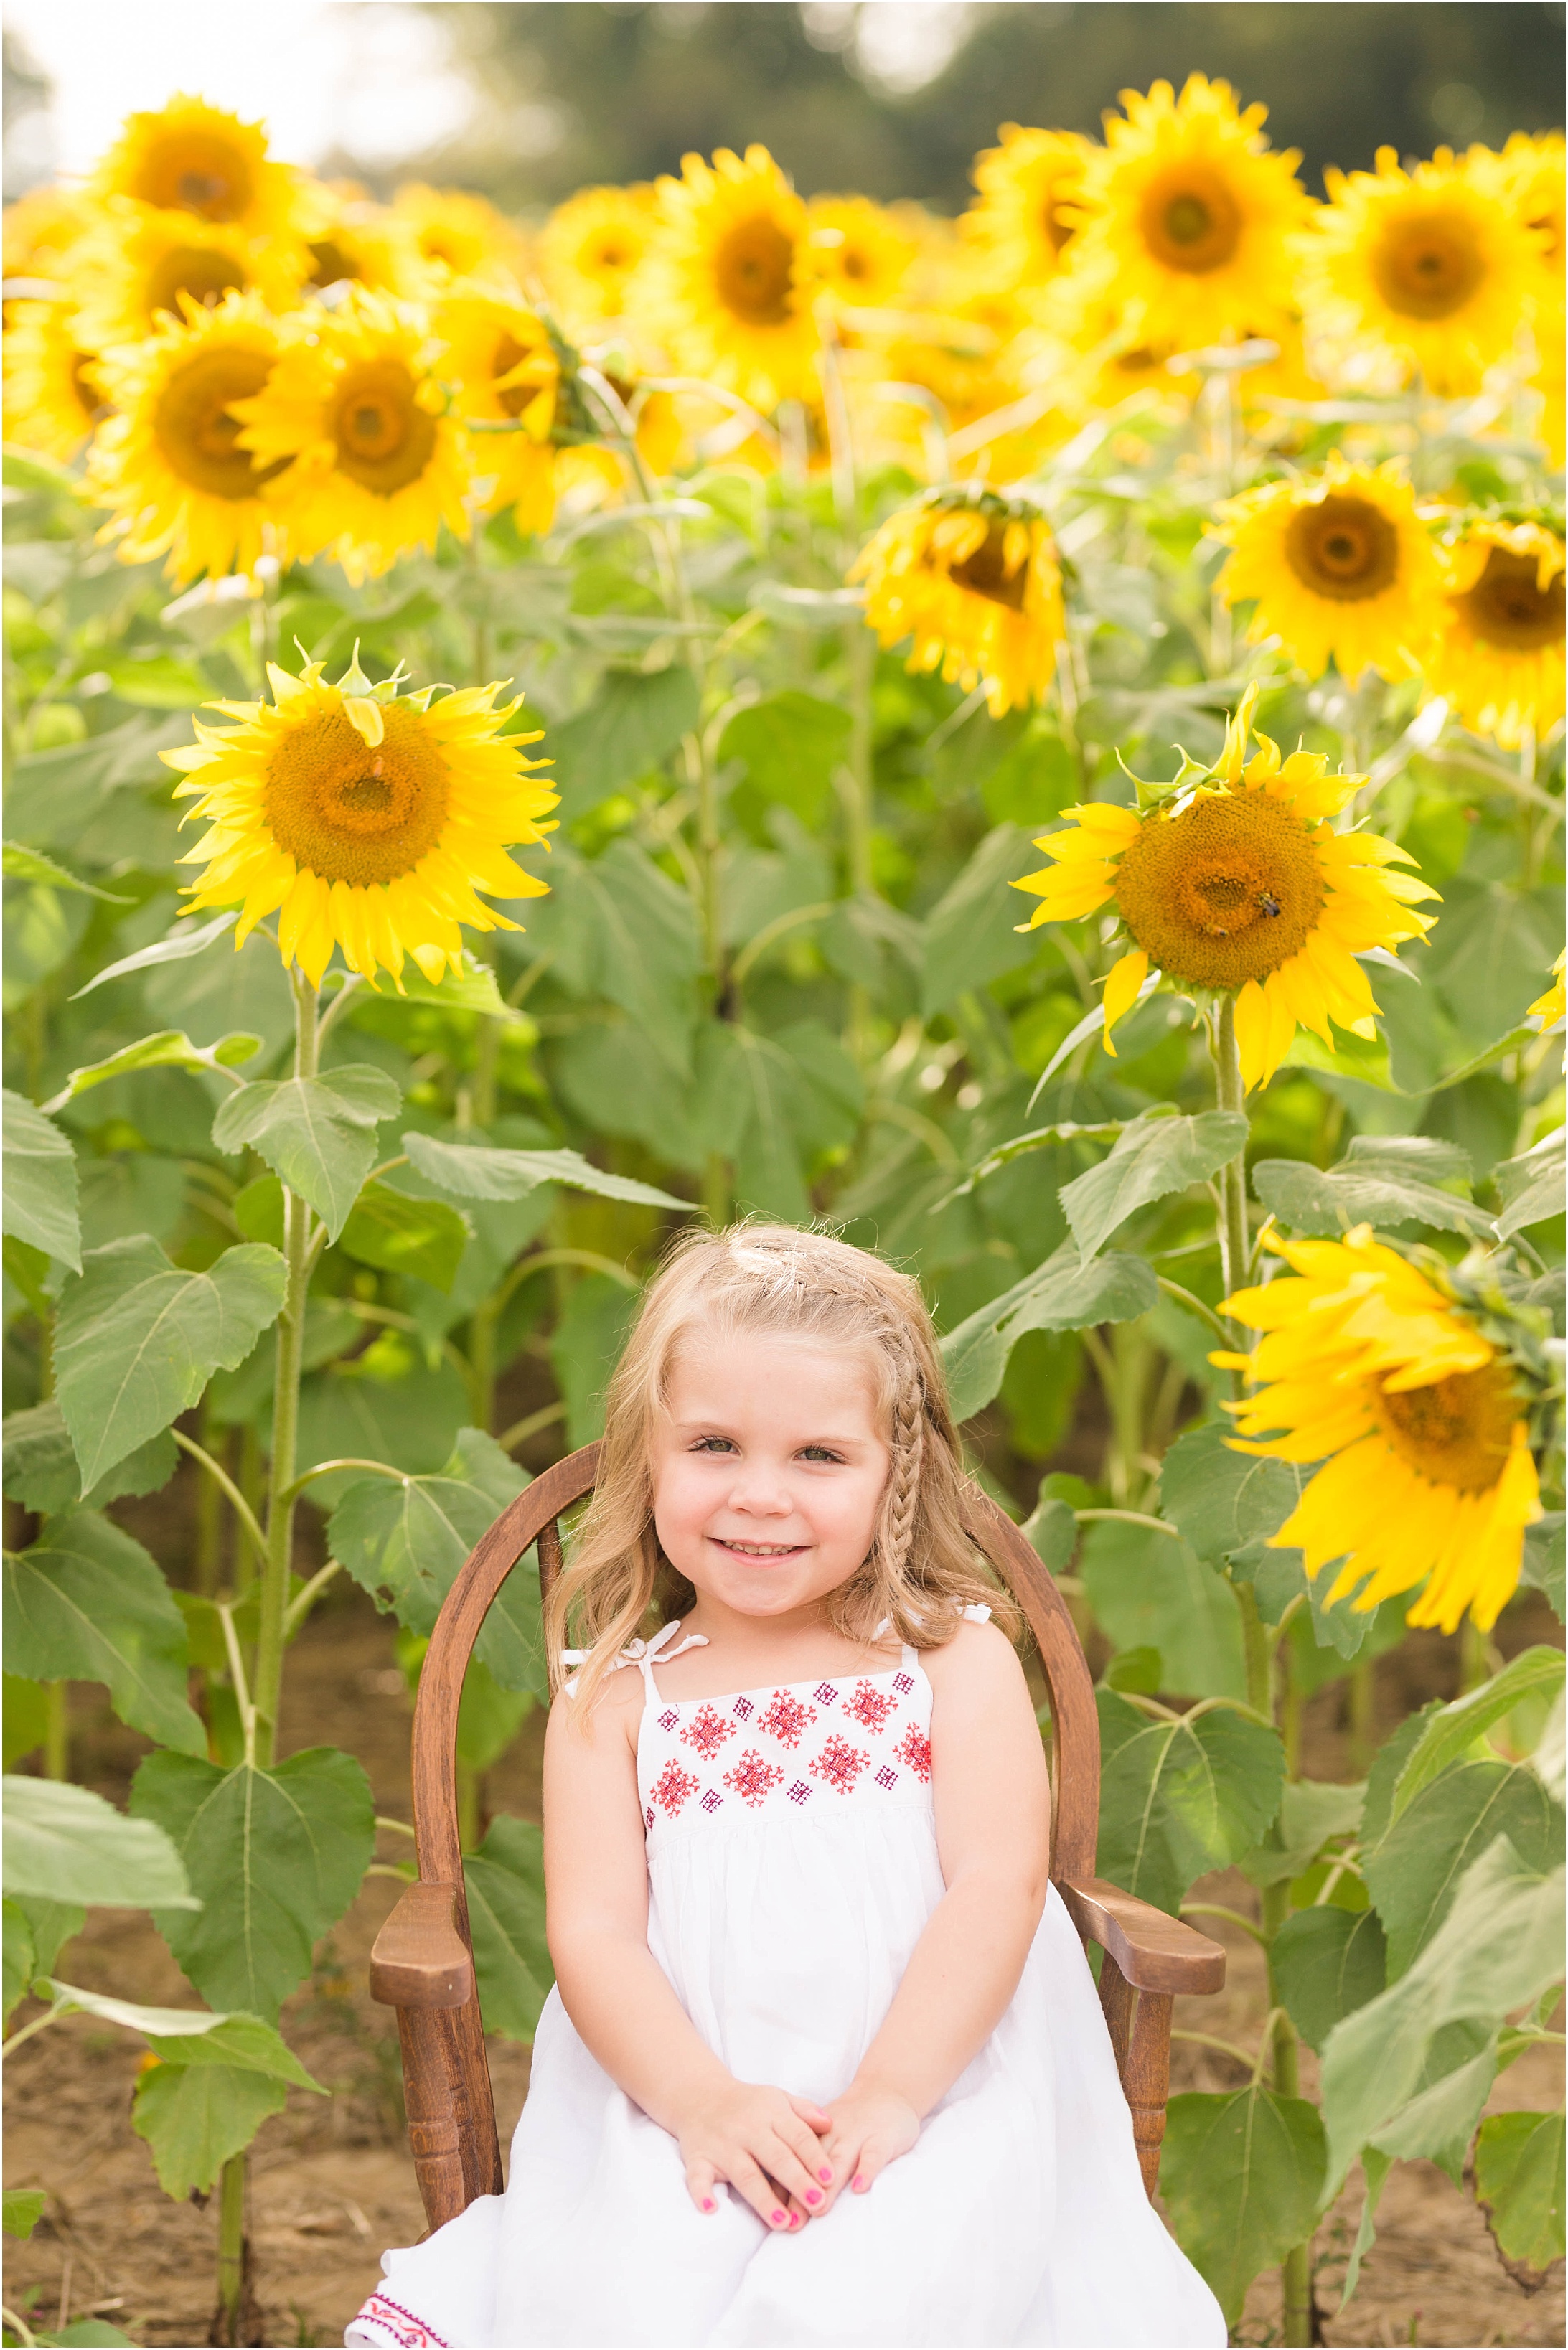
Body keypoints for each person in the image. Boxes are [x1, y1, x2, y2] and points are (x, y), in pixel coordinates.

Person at [347, 1225, 1224, 2350]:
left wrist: (892, 2096)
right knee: (633, 2283)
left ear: (893, 1476)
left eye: (818, 1456)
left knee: (896, 2275)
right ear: (647, 1458)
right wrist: (701, 2104)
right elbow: (596, 1935)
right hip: (687, 2098)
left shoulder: (952, 1664)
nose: (760, 1495)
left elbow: (995, 1891)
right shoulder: (615, 1702)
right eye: (713, 1444)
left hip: (934, 2090)